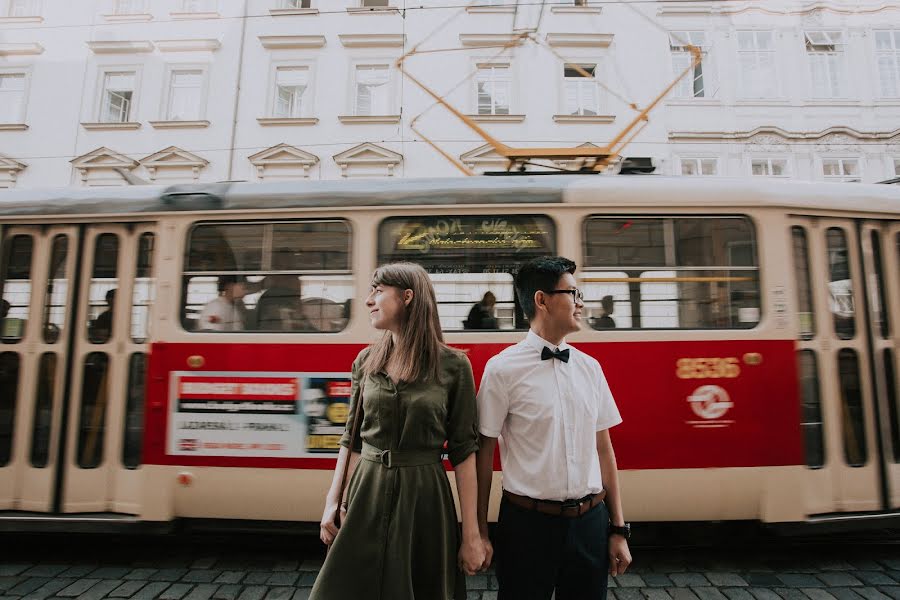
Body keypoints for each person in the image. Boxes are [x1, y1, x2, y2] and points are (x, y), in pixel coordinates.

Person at [312, 262, 484, 600]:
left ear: (408, 297)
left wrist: (472, 534)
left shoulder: (454, 365)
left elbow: (464, 452)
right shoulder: (365, 361)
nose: (368, 301)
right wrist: (332, 502)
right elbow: (352, 438)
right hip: (366, 492)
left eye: (378, 291)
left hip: (425, 498)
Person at [475, 256, 631, 600]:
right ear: (541, 300)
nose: (581, 302)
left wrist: (618, 529)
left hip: (591, 522)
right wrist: (479, 531)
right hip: (526, 525)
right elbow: (484, 453)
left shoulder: (591, 368)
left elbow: (604, 450)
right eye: (572, 293)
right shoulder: (501, 369)